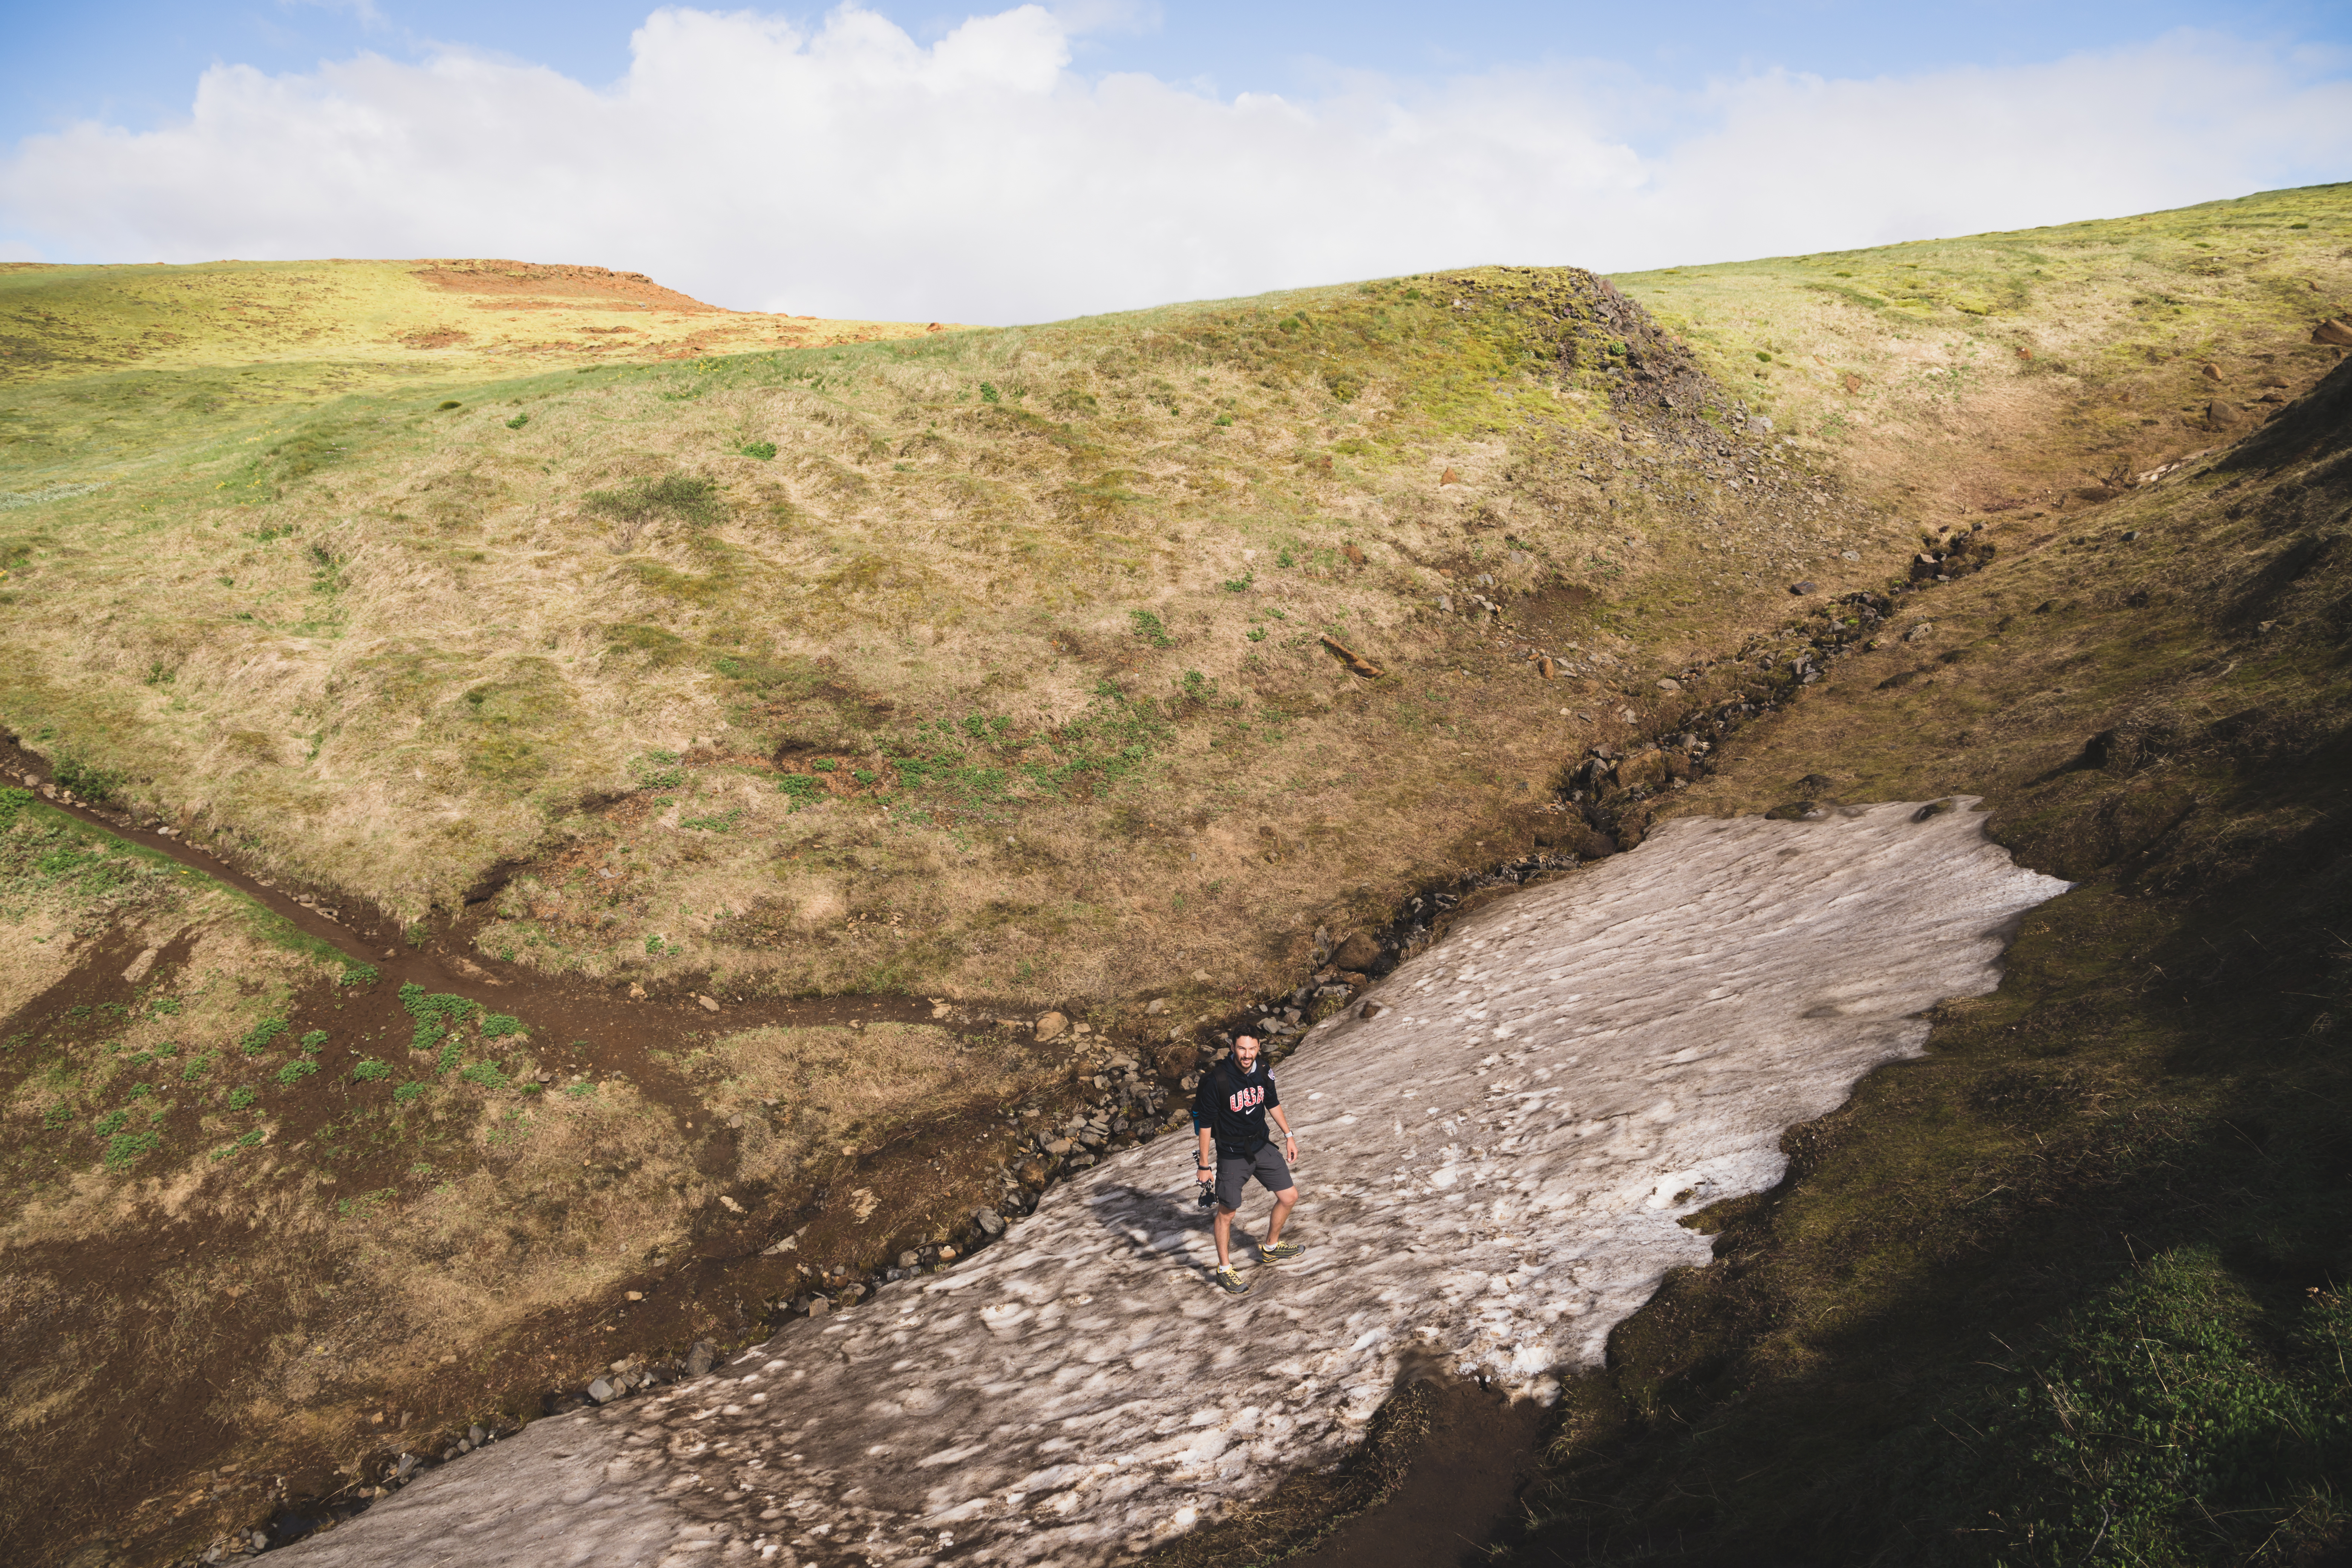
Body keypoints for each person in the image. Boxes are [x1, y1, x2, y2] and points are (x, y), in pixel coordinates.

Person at [1192, 1034, 1303, 1295]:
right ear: (1232, 1048)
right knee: (1227, 1212)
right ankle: (1224, 1269)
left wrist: (1289, 1136)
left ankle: (1270, 1248)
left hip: (1262, 1146)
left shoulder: (1263, 1071)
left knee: (1289, 1196)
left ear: (1258, 1048)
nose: (1247, 1054)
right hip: (1232, 1154)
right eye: (1242, 1048)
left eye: (1252, 1049)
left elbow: (1272, 1103)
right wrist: (1205, 1165)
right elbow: (1205, 1126)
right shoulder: (1216, 1080)